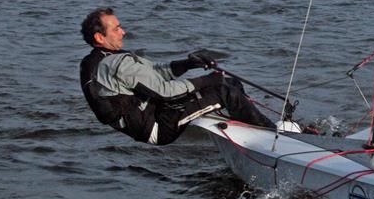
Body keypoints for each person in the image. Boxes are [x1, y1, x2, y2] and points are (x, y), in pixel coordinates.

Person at [79, 8, 275, 145]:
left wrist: (189, 64)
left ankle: (250, 130)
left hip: (153, 116)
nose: (123, 32)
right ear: (99, 37)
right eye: (116, 29)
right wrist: (208, 80)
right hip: (157, 127)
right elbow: (166, 92)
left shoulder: (97, 62)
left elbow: (156, 74)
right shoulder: (117, 63)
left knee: (230, 84)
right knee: (225, 91)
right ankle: (274, 137)